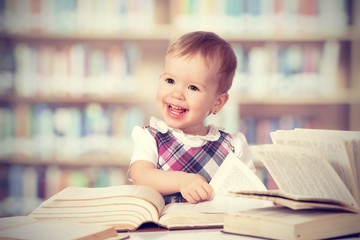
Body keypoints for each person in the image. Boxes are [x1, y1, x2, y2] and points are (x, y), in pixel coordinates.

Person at [129, 31, 255, 204]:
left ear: (217, 102)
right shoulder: (150, 138)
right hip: (162, 230)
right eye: (170, 81)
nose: (177, 94)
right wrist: (182, 181)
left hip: (214, 229)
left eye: (193, 87)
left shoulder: (234, 147)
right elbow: (141, 175)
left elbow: (249, 194)